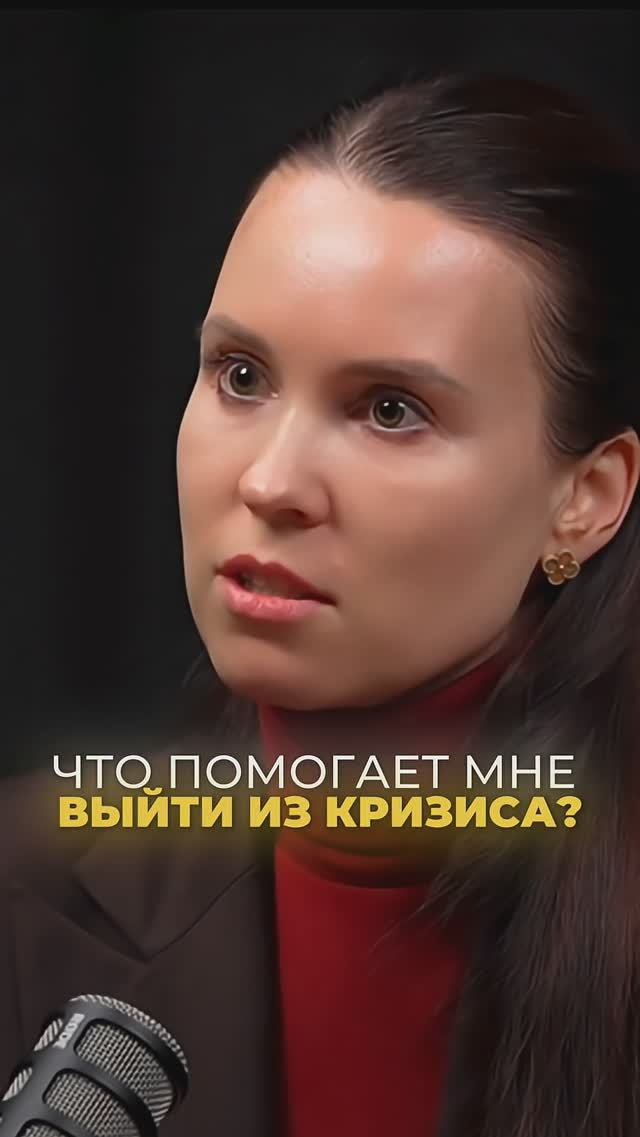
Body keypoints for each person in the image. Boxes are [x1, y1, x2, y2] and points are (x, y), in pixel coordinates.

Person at [1, 69, 640, 1136]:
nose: (270, 482)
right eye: (240, 376)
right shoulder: (23, 897)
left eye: (390, 409)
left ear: (585, 499)